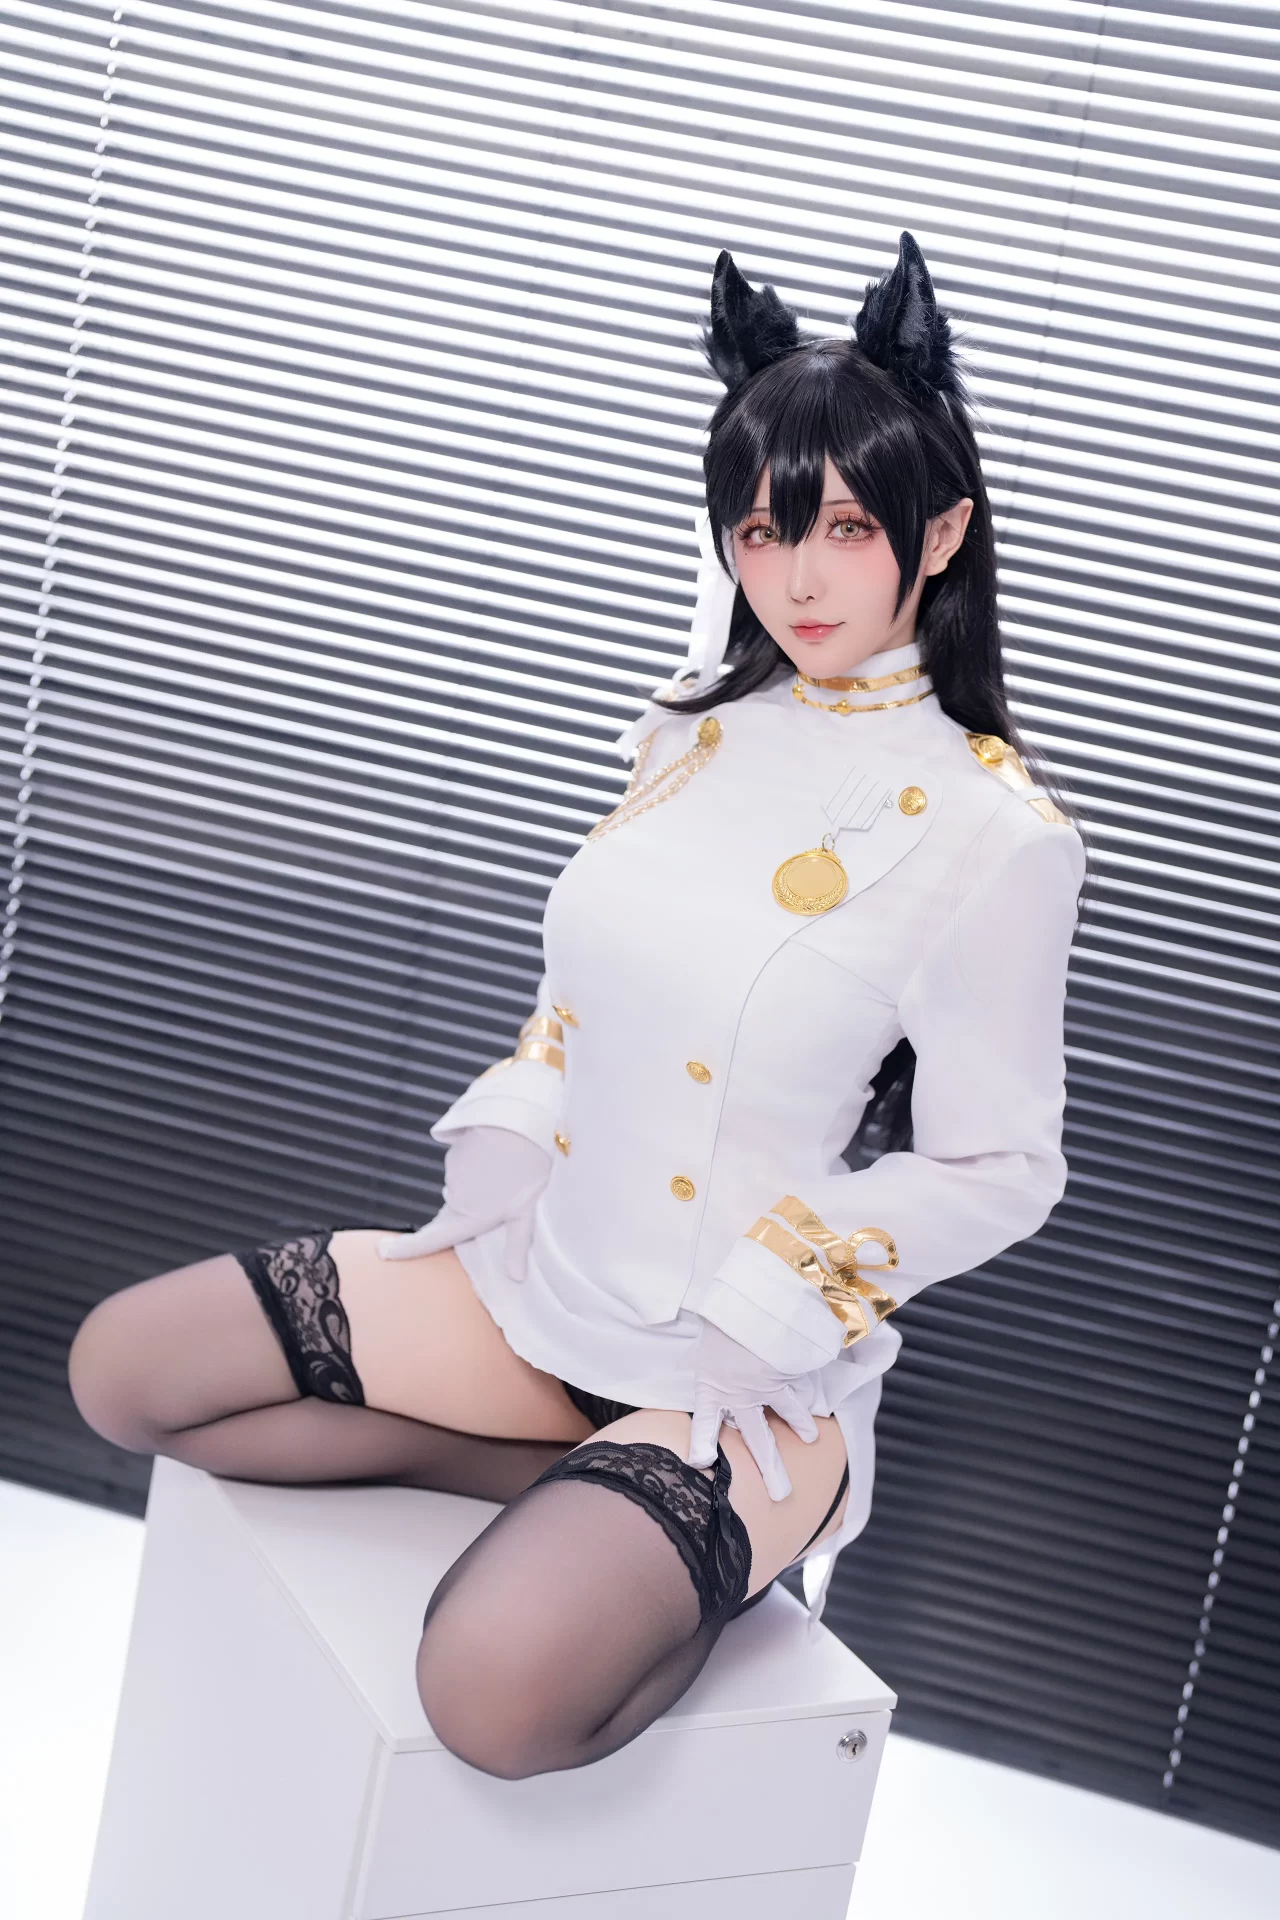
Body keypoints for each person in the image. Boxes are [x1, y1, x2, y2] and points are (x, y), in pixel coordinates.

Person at [68, 232, 1084, 1780]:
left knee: (491, 1696)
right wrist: (521, 1123)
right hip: (546, 1282)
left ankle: (652, 1514)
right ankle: (537, 1464)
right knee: (125, 1373)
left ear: (940, 532)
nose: (798, 579)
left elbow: (1002, 1167)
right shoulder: (692, 728)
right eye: (761, 530)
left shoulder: (996, 832)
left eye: (846, 527)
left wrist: (786, 1279)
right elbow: (582, 995)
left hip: (743, 1366)